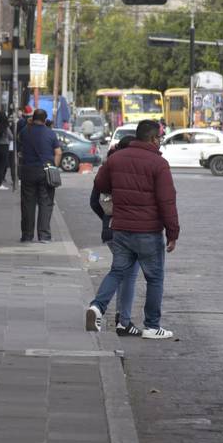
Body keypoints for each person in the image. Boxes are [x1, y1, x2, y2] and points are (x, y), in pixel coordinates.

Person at [85, 120, 179, 339]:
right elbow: (167, 201)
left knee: (117, 271)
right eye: (160, 138)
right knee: (154, 277)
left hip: (121, 228)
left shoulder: (115, 158)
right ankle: (152, 326)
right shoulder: (159, 163)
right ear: (154, 138)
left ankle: (97, 307)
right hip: (148, 231)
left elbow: (100, 185)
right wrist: (172, 233)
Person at [89, 135, 142, 337]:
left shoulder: (108, 167)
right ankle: (119, 319)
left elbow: (94, 201)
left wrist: (105, 218)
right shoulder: (134, 169)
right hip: (130, 228)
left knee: (120, 271)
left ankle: (110, 314)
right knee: (127, 274)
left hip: (109, 228)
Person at [18, 109, 62, 243]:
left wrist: (29, 122)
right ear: (45, 119)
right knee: (46, 203)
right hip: (45, 171)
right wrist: (54, 166)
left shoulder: (25, 131)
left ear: (33, 118)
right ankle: (44, 236)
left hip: (28, 171)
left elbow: (20, 144)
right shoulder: (50, 133)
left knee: (27, 203)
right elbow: (58, 152)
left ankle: (27, 235)